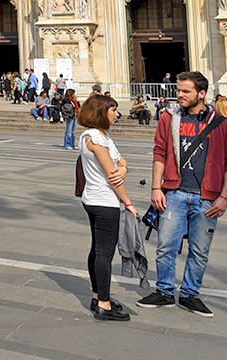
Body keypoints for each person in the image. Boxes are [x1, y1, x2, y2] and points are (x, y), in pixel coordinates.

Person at [140, 71, 227, 317]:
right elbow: (159, 152)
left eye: (186, 91)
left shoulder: (223, 125)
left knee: (199, 250)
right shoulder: (168, 118)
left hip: (208, 197)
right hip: (174, 192)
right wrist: (155, 187)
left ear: (201, 94)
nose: (179, 95)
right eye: (179, 90)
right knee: (165, 245)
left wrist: (224, 197)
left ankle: (190, 294)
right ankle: (164, 291)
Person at [76, 93, 134, 321]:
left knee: (97, 249)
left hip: (92, 199)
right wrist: (128, 202)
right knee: (104, 253)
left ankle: (97, 295)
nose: (117, 114)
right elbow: (114, 175)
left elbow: (123, 163)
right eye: (113, 110)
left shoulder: (98, 135)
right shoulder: (97, 139)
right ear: (101, 113)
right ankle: (104, 304)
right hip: (104, 201)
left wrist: (123, 169)